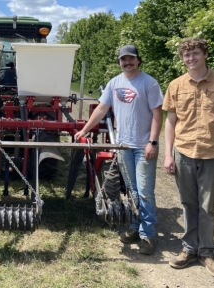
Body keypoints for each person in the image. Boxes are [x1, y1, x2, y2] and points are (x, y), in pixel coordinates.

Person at [75, 44, 163, 255]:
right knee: (132, 191)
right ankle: (134, 227)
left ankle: (148, 235)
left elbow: (158, 115)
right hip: (122, 145)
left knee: (145, 193)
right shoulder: (114, 83)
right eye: (124, 59)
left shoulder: (149, 83)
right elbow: (101, 109)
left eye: (131, 58)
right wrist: (84, 130)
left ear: (138, 60)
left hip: (143, 147)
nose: (127, 62)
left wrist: (153, 142)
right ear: (119, 62)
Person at [163, 38, 214, 278]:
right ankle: (189, 248)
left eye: (195, 53)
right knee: (188, 204)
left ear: (205, 54)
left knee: (207, 206)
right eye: (187, 55)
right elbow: (171, 121)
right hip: (184, 152)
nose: (191, 59)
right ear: (182, 58)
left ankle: (207, 252)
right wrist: (168, 154)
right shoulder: (176, 85)